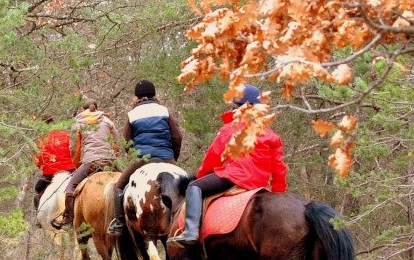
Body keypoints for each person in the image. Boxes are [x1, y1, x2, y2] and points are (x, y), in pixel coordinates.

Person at [167, 84, 288, 246]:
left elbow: (212, 158)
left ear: (239, 107)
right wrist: (278, 194)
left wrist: (201, 177)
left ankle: (190, 231)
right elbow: (279, 168)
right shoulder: (271, 135)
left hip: (233, 177)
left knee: (195, 187)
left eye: (234, 106)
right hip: (258, 184)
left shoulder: (229, 129)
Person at [106, 80, 183, 236]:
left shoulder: (132, 114)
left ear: (136, 97)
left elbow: (126, 141)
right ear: (155, 95)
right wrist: (173, 157)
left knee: (118, 187)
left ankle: (119, 222)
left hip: (142, 158)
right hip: (166, 157)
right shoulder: (164, 111)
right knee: (187, 185)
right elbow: (177, 137)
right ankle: (189, 222)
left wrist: (134, 156)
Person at [51, 99, 120, 229]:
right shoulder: (107, 121)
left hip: (91, 163)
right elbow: (117, 142)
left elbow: (73, 148)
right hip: (110, 161)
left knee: (70, 187)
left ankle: (68, 219)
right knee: (126, 181)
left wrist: (76, 162)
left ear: (82, 110)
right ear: (97, 108)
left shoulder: (79, 123)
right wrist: (115, 157)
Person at [33, 129, 76, 208]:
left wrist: (43, 166)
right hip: (70, 169)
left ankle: (38, 213)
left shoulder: (41, 139)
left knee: (38, 188)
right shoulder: (66, 135)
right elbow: (74, 150)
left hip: (50, 172)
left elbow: (37, 160)